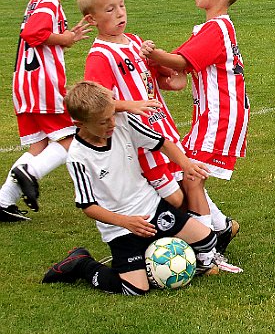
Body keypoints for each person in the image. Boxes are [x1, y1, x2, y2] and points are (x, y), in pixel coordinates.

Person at [78, 0, 239, 255]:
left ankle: (207, 239)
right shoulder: (99, 56)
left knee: (185, 185)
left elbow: (165, 81)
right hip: (142, 142)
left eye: (122, 6)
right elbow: (97, 104)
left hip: (165, 132)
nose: (119, 13)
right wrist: (131, 105)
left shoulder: (136, 43)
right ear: (92, 19)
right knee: (176, 197)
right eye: (109, 10)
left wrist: (164, 71)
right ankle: (206, 236)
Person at [41, 81, 220, 295]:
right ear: (80, 123)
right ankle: (82, 264)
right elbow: (88, 206)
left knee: (208, 240)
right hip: (120, 226)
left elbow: (162, 142)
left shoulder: (123, 121)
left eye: (112, 115)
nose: (111, 124)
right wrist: (126, 222)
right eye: (103, 121)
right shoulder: (78, 158)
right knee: (135, 289)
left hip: (151, 207)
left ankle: (152, 257)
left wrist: (186, 164)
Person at [139, 0, 249, 238]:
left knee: (190, 175)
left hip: (220, 116)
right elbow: (177, 73)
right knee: (183, 168)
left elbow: (177, 61)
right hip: (212, 116)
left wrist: (150, 54)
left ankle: (208, 243)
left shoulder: (217, 29)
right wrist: (154, 70)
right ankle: (221, 226)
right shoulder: (207, 29)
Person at [0, 0, 91, 223]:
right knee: (69, 139)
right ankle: (31, 173)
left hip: (24, 82)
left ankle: (3, 201)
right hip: (43, 84)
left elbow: (39, 34)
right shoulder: (49, 1)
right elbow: (33, 33)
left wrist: (67, 36)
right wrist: (65, 39)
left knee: (39, 145)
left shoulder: (37, 1)